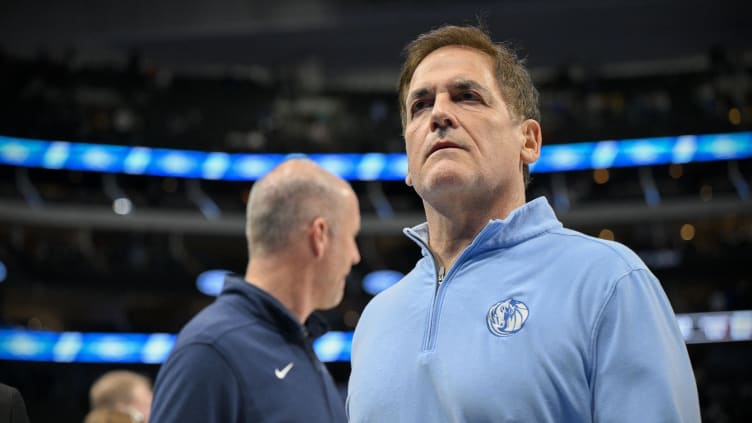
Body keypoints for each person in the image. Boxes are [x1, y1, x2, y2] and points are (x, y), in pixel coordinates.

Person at [347, 25, 701, 422]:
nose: (439, 114)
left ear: (529, 141)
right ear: (410, 164)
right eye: (421, 105)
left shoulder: (608, 281)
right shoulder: (376, 319)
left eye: (467, 96)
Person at [150, 158, 360, 422]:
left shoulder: (293, 345)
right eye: (351, 237)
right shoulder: (209, 352)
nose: (355, 256)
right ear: (319, 235)